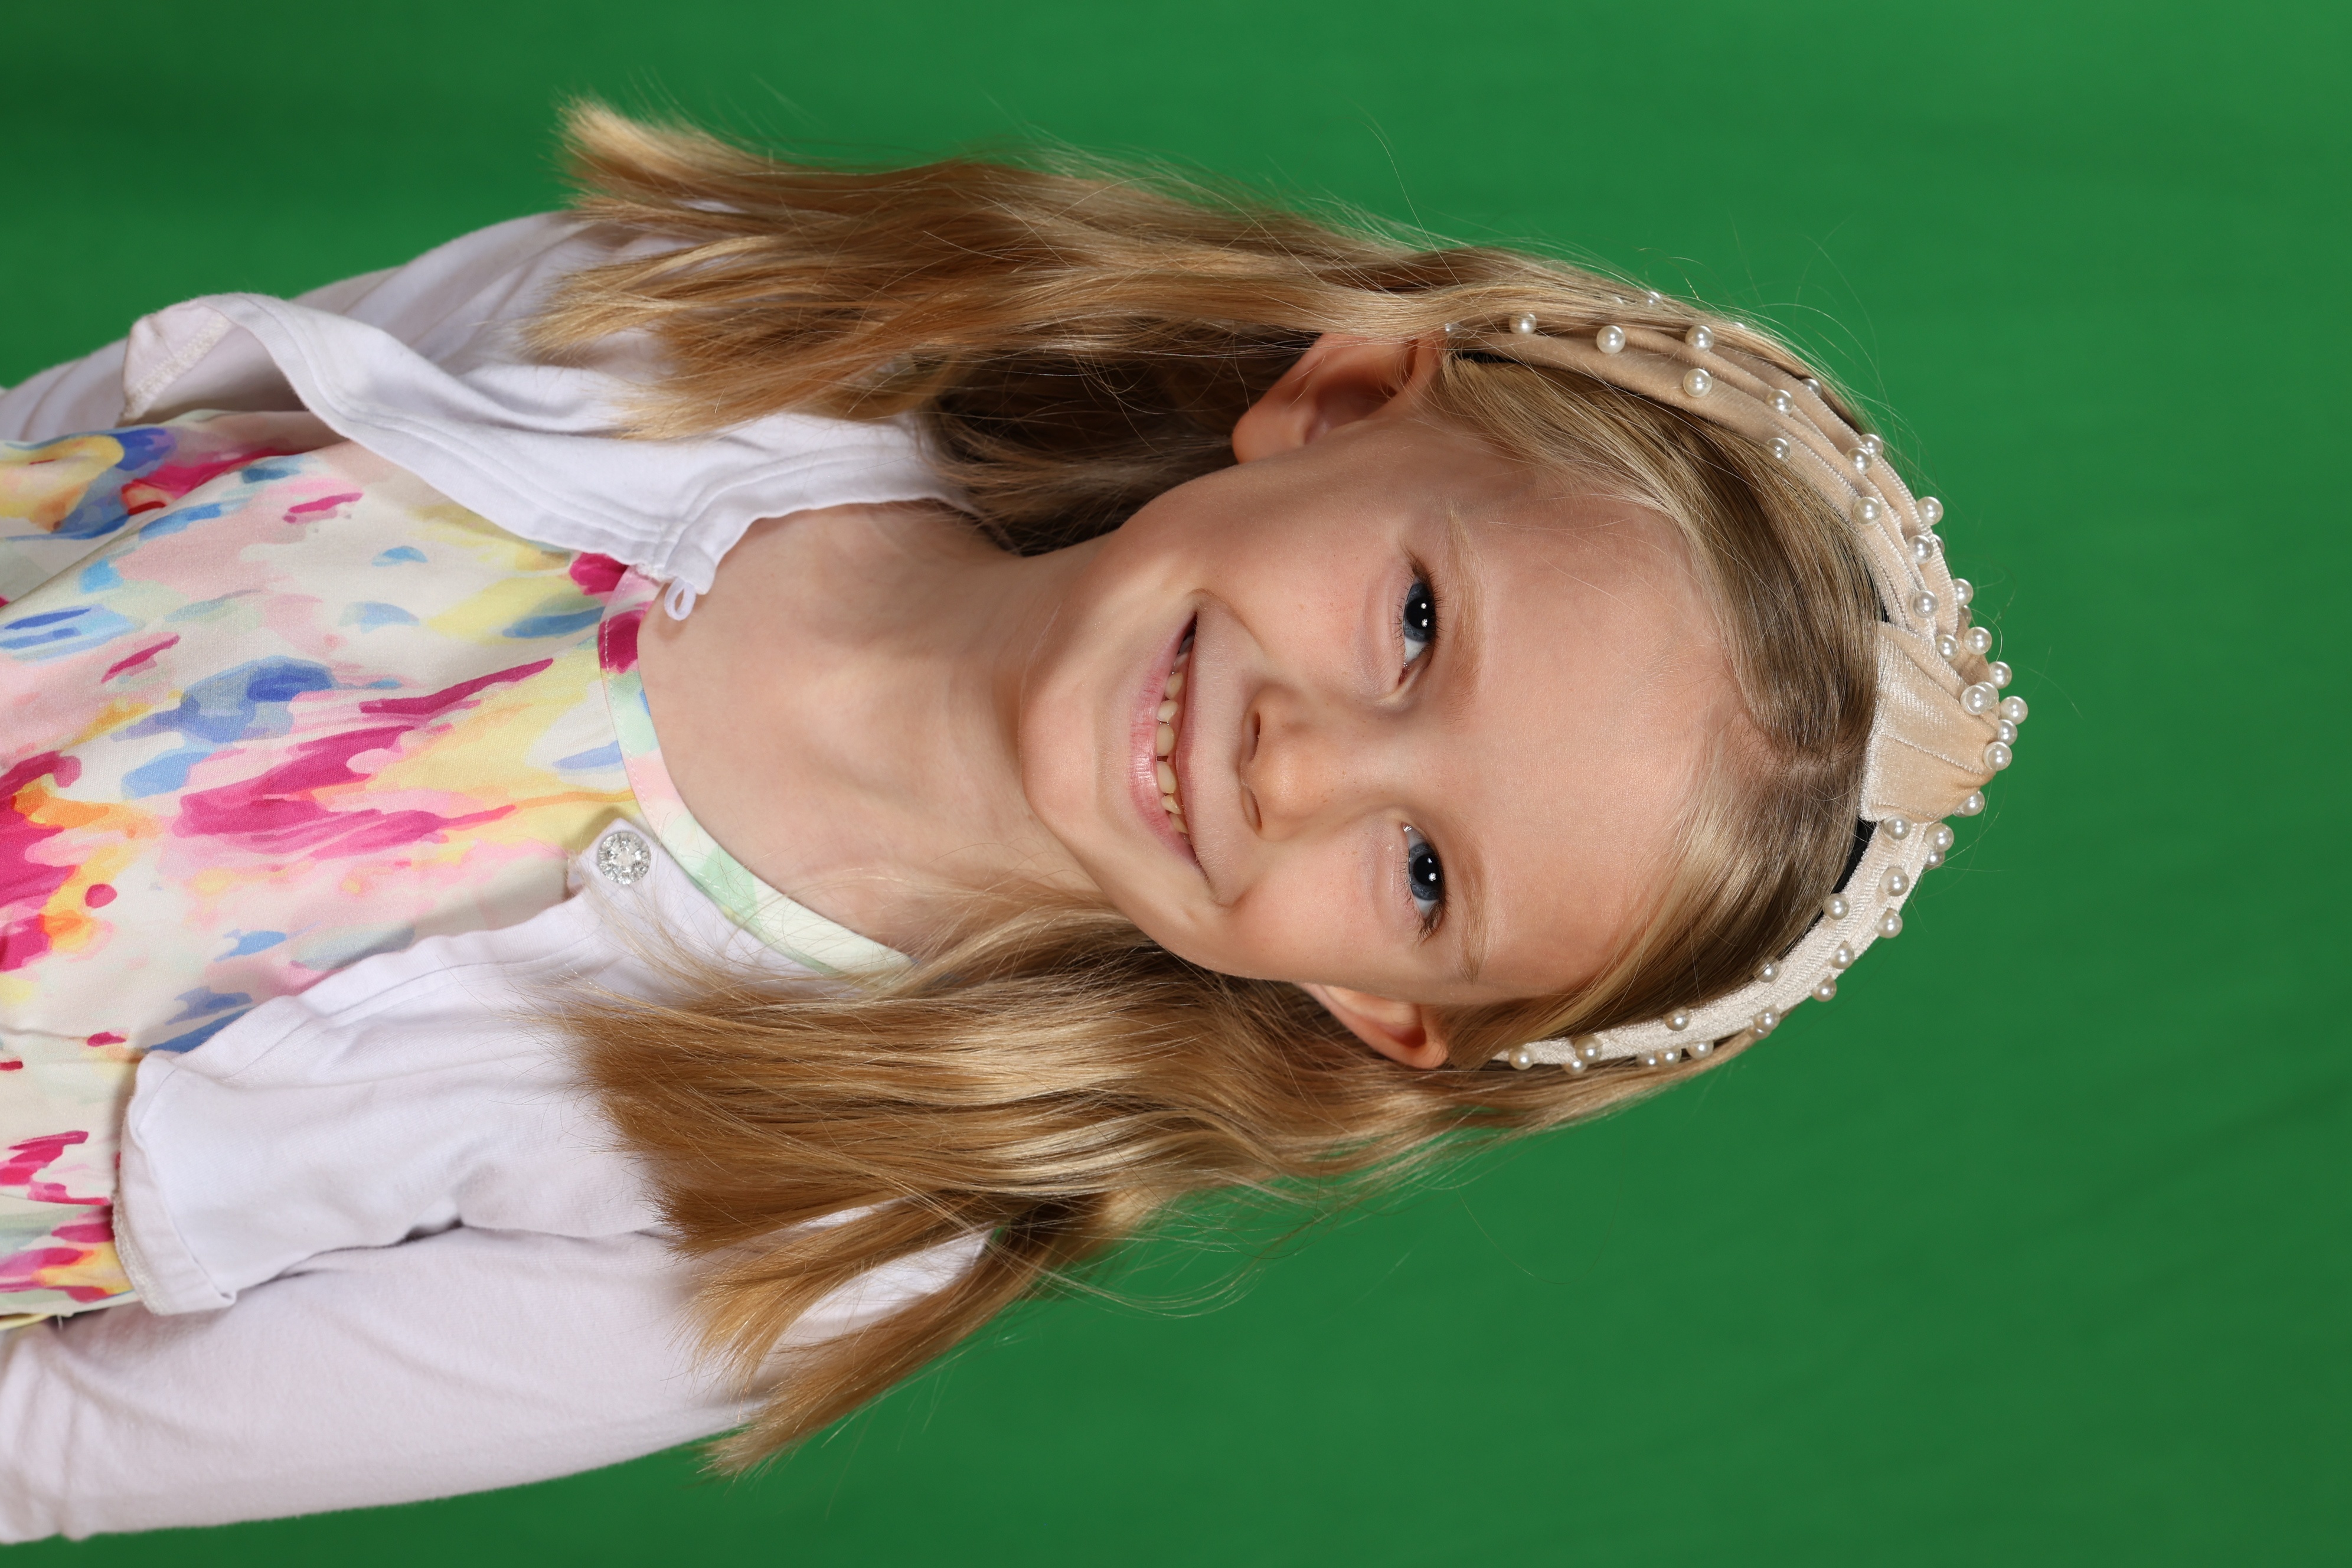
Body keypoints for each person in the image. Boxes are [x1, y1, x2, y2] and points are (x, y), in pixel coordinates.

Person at [0, 105, 2023, 1538]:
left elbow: (68, 1444)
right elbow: (107, 430)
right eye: (1416, 625)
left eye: (1421, 874)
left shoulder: (809, 1211)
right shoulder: (718, 339)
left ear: (1384, 1009)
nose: (1301, 763)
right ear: (1337, 406)